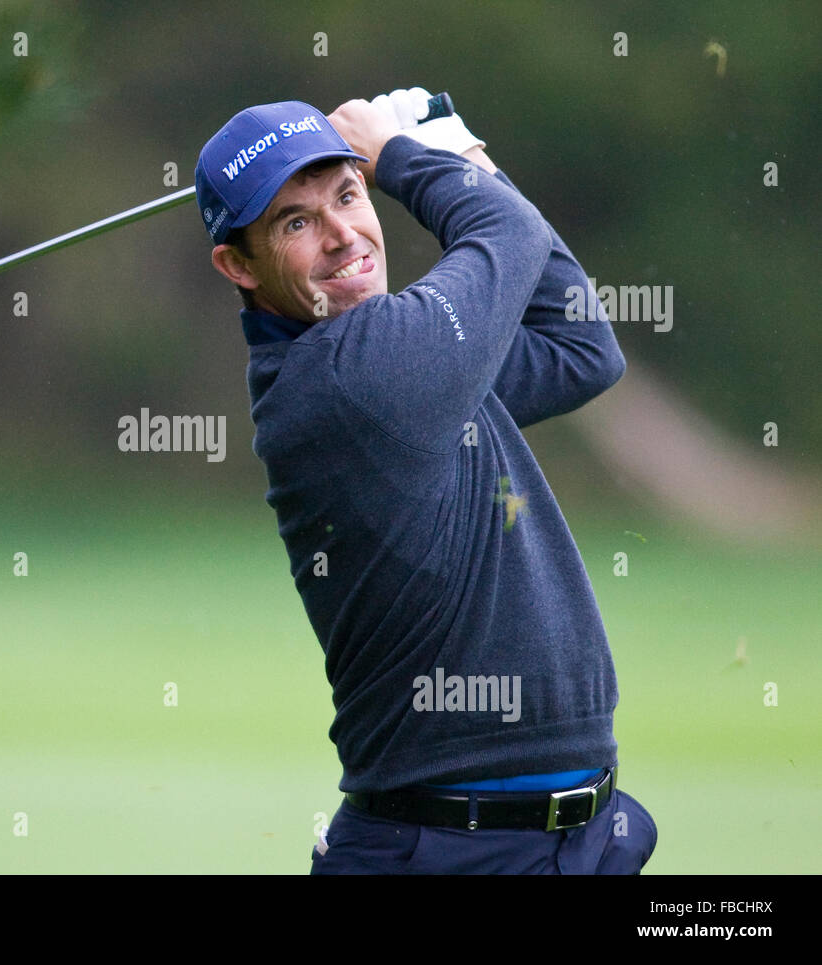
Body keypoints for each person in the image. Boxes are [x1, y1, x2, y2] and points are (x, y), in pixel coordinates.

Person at [194, 89, 658, 874]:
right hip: (446, 852)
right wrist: (405, 153)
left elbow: (579, 342)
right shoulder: (354, 371)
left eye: (348, 193)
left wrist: (456, 143)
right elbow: (509, 231)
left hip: (572, 841)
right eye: (297, 222)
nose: (344, 235)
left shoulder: (412, 365)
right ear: (238, 265)